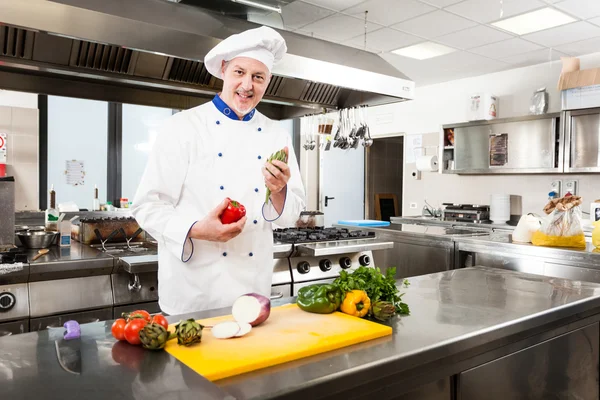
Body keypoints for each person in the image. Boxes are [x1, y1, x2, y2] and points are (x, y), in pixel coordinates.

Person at [131, 26, 306, 315]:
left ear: (268, 81)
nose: (247, 85)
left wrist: (279, 191)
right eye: (240, 72)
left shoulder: (277, 135)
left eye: (258, 77)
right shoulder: (183, 127)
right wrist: (198, 229)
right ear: (224, 70)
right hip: (194, 290)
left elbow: (289, 217)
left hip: (253, 290)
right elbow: (147, 206)